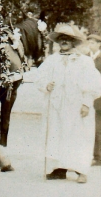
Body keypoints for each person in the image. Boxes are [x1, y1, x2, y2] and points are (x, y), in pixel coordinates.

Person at [34, 24, 101, 183]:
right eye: (61, 39)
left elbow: (93, 83)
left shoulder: (84, 61)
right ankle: (59, 169)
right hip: (57, 105)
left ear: (73, 42)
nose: (64, 41)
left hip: (76, 106)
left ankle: (81, 170)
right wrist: (46, 85)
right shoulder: (52, 60)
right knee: (58, 135)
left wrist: (86, 103)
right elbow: (39, 77)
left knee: (79, 136)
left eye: (67, 39)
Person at [87, 34, 101, 166]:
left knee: (98, 128)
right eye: (89, 43)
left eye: (93, 43)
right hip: (89, 97)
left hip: (99, 98)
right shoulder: (87, 58)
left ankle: (98, 157)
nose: (90, 45)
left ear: (98, 44)